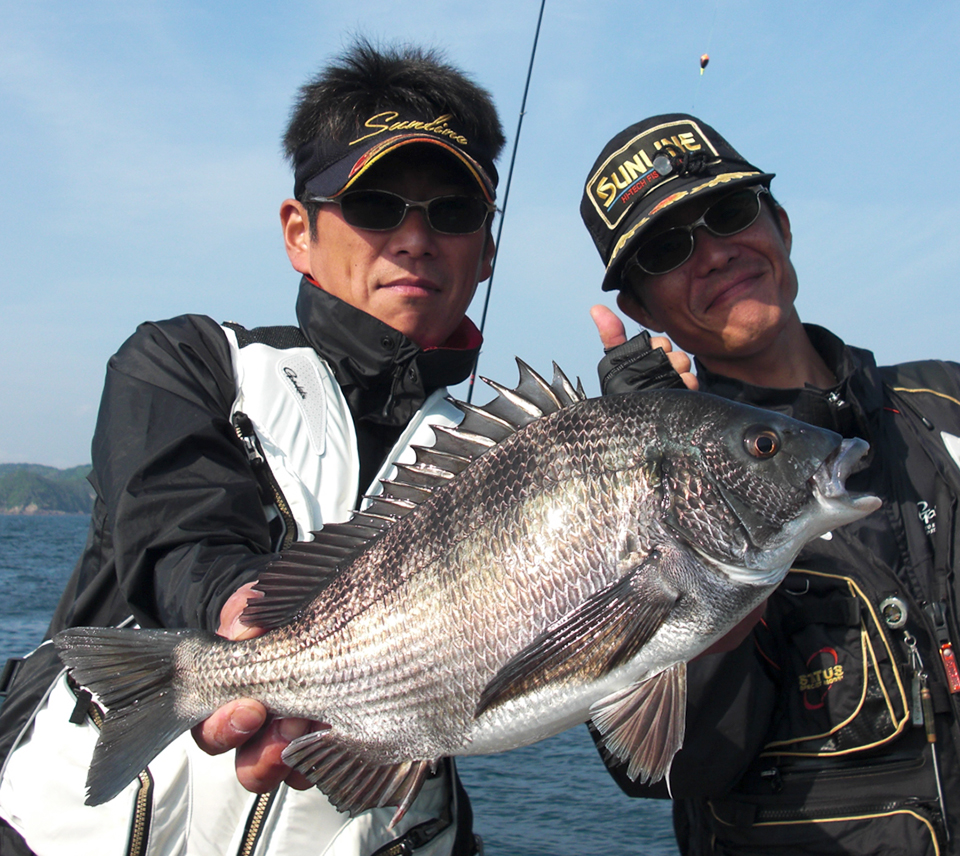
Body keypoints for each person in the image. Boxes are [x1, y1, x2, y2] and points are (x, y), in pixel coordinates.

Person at [0, 40, 504, 856]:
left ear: (485, 249)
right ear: (299, 232)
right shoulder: (189, 364)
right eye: (375, 204)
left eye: (453, 211)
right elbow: (176, 532)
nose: (416, 239)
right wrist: (243, 620)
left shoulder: (500, 457)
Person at [580, 113, 960, 855]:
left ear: (780, 224)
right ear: (640, 311)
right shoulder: (626, 496)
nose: (716, 254)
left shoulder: (947, 405)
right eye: (667, 249)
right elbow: (672, 767)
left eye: (728, 213)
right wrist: (657, 509)